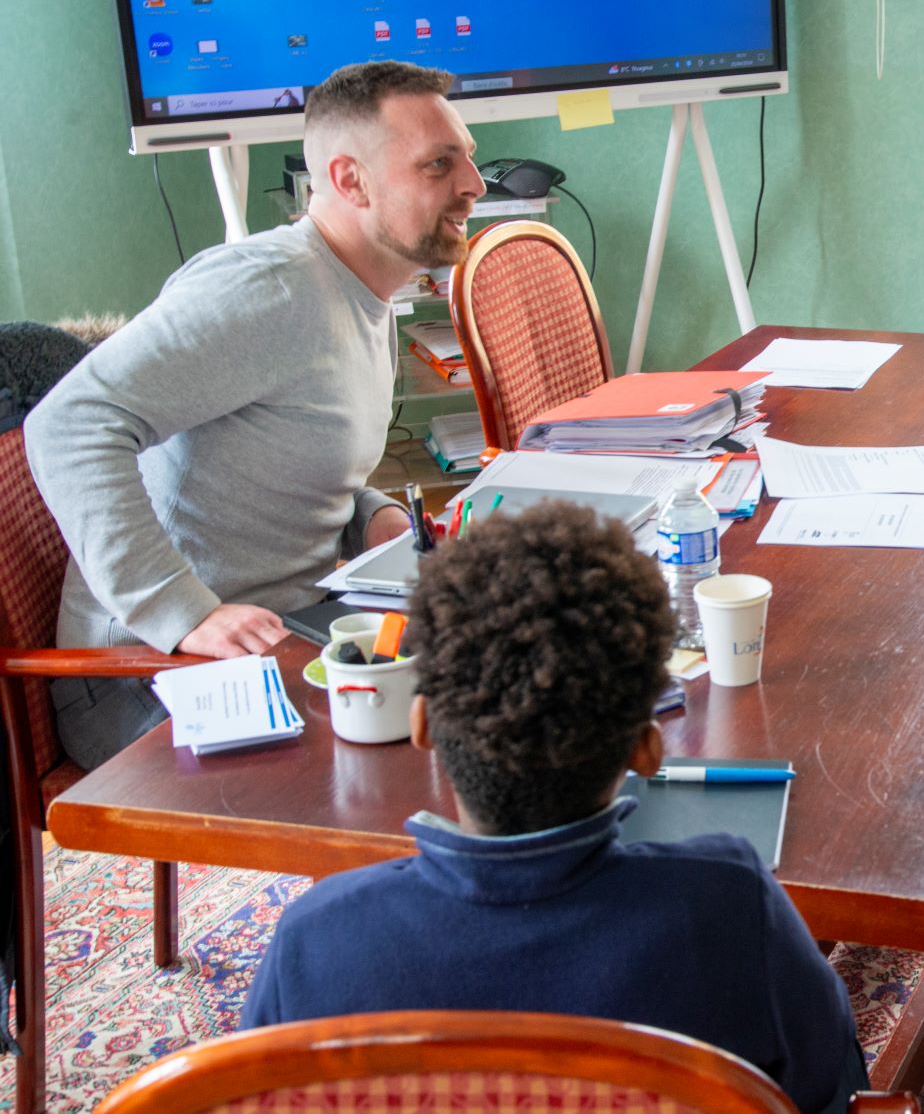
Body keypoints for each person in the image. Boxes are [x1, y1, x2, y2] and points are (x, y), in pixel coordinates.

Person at [240, 501, 867, 1114]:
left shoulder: (316, 937)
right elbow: (834, 1090)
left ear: (423, 722)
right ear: (646, 750)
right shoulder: (730, 905)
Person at [24, 60, 485, 768]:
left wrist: (376, 517)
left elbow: (294, 447)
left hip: (291, 627)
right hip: (150, 674)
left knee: (510, 659)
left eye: (469, 160)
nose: (473, 186)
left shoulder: (365, 291)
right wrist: (186, 612)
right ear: (350, 180)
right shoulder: (264, 291)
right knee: (455, 741)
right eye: (438, 164)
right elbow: (68, 424)